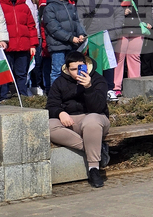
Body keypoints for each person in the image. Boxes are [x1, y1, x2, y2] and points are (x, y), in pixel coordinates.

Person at [47, 51, 111, 188]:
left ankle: (93, 169)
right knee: (48, 125)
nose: (77, 72)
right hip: (70, 120)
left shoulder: (97, 79)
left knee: (92, 121)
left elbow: (98, 107)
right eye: (73, 69)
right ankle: (97, 149)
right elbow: (51, 104)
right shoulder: (59, 82)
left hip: (95, 118)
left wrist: (88, 87)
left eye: (80, 68)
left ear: (86, 66)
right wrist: (60, 112)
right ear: (67, 69)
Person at [77, 0, 124, 94]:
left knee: (108, 64)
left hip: (110, 37)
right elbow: (80, 18)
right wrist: (85, 34)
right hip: (93, 37)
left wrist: (116, 30)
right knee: (94, 65)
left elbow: (119, 13)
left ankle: (110, 89)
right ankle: (95, 89)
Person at [42, 0, 86, 85]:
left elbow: (77, 22)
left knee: (72, 70)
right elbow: (54, 28)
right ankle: (55, 96)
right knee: (58, 70)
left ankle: (70, 93)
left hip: (71, 45)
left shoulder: (70, 6)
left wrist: (80, 33)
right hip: (58, 46)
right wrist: (70, 38)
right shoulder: (50, 8)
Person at [0, 0, 37, 97]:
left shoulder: (24, 6)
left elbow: (31, 26)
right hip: (7, 46)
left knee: (21, 73)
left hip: (23, 46)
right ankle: (3, 97)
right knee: (5, 74)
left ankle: (23, 96)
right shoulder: (0, 6)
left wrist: (33, 44)